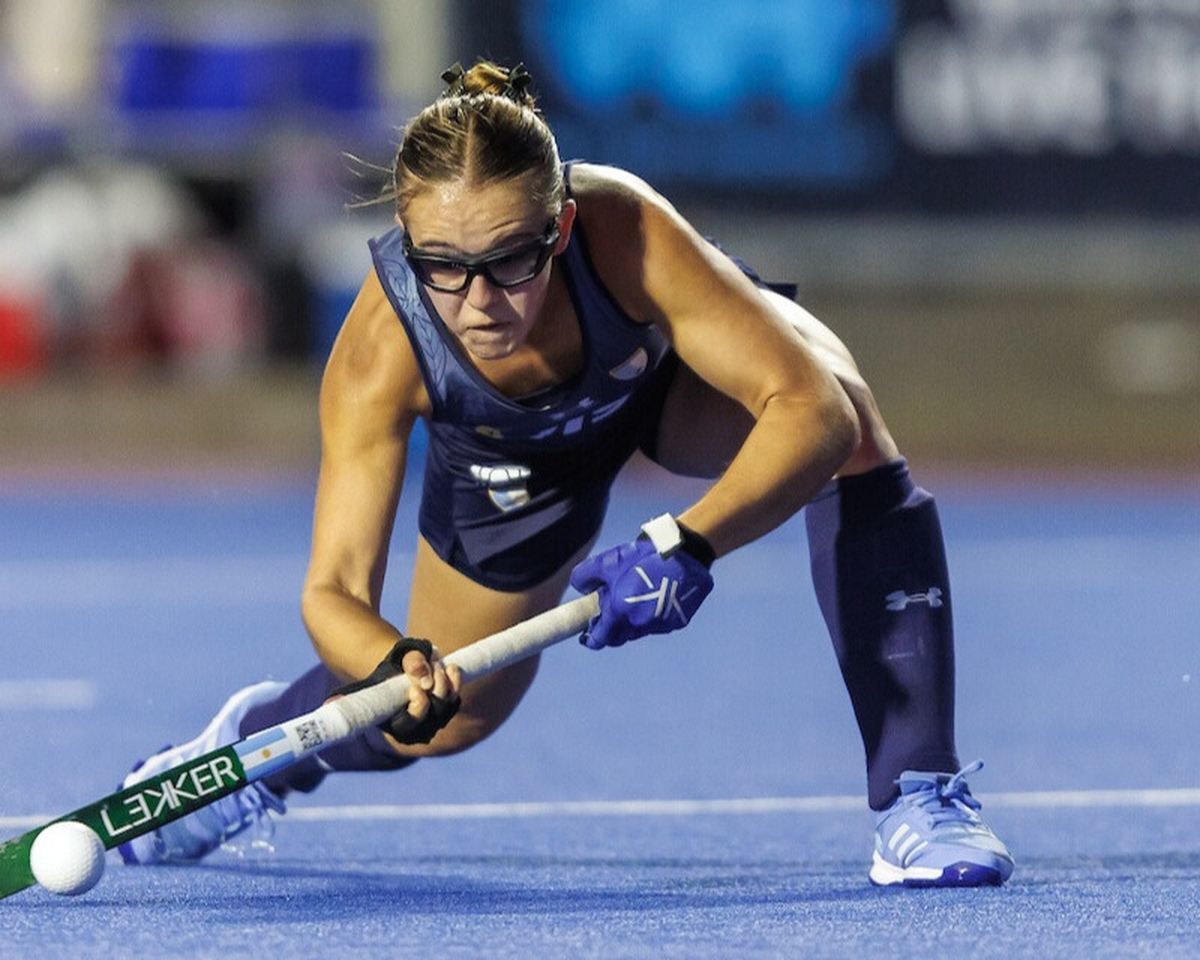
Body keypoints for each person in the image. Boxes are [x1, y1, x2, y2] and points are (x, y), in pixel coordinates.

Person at [120, 60, 1013, 888]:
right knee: (446, 726)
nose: (479, 303)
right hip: (511, 465)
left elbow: (810, 411)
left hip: (664, 386)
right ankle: (249, 753)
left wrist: (686, 541)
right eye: (443, 266)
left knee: (850, 422)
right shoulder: (377, 354)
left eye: (512, 260)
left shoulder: (624, 227)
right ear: (405, 234)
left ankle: (919, 794)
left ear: (563, 226)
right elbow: (331, 594)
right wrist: (396, 666)